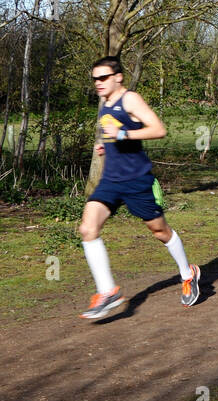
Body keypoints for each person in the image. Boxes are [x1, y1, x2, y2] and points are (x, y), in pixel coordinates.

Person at [77, 56, 201, 320]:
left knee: (160, 231)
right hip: (110, 180)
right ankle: (107, 291)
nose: (98, 83)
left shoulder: (130, 99)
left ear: (117, 77)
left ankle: (188, 273)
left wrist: (124, 136)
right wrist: (105, 146)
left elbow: (158, 129)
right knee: (88, 228)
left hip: (136, 180)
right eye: (95, 79)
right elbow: (112, 133)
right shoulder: (104, 102)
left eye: (103, 78)